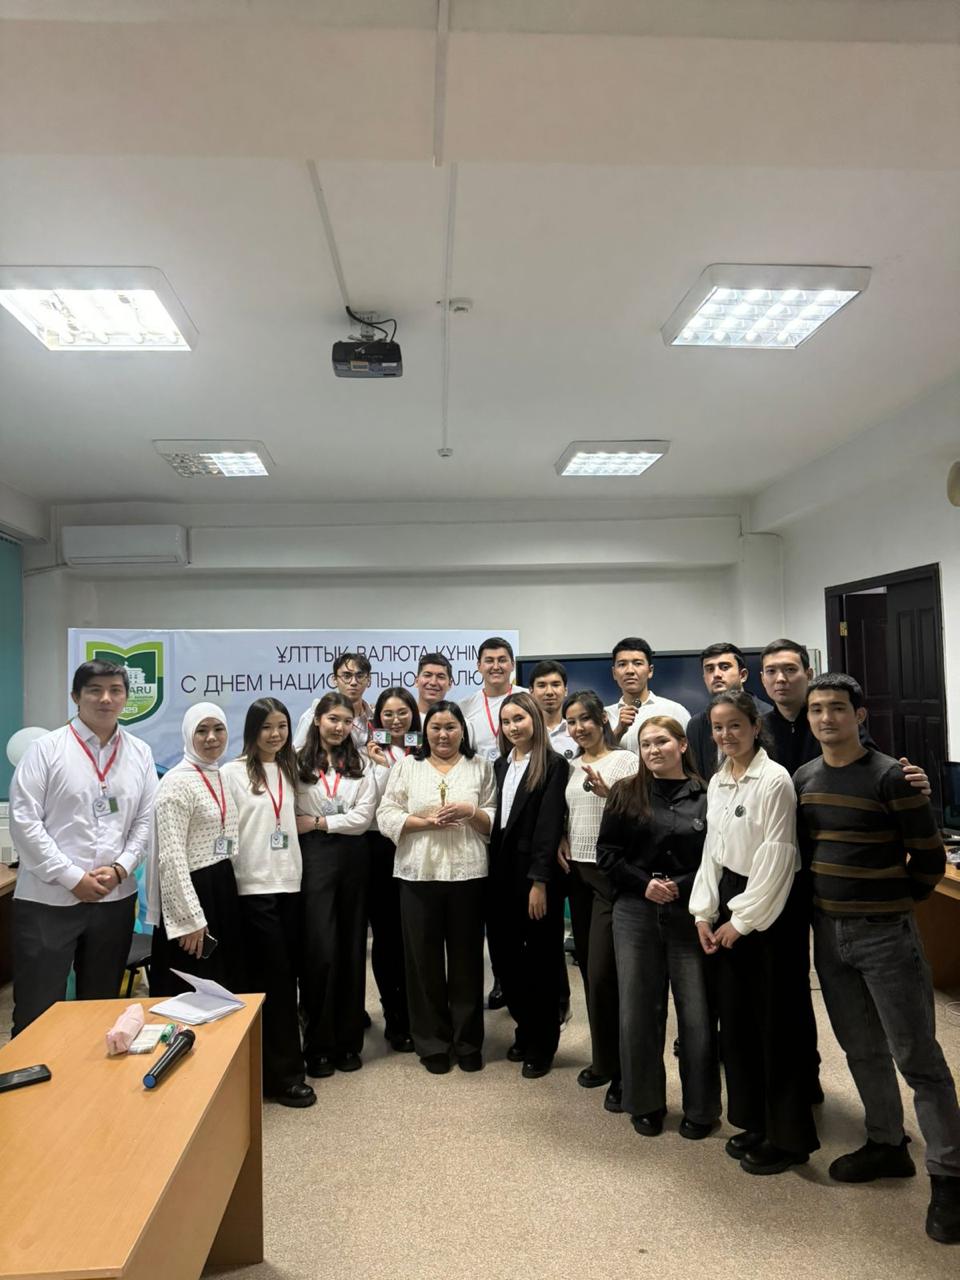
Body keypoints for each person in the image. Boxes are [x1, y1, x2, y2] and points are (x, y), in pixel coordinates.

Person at [795, 673, 960, 1244]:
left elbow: (929, 858)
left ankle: (949, 1175)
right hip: (828, 935)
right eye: (817, 709)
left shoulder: (892, 776)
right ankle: (887, 1143)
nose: (826, 718)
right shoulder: (805, 778)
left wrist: (891, 904)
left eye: (838, 708)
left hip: (885, 935)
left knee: (918, 1056)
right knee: (860, 1048)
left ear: (859, 716)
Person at [689, 691, 819, 1174]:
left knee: (775, 1024)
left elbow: (779, 857)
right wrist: (703, 912)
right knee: (739, 1023)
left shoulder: (775, 779)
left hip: (768, 910)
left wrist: (740, 922)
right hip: (729, 901)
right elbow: (712, 851)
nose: (725, 735)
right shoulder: (719, 779)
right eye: (718, 728)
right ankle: (754, 1121)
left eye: (735, 726)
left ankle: (789, 1139)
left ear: (755, 727)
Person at [9, 660, 158, 1036]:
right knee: (37, 1008)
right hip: (48, 900)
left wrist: (122, 868)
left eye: (115, 690)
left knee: (101, 1009)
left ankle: (89, 1075)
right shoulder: (46, 750)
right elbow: (25, 822)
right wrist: (72, 876)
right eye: (95, 690)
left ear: (125, 697)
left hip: (114, 899)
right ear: (76, 696)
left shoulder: (140, 753)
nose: (106, 698)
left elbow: (146, 820)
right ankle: (33, 1075)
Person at [597, 717, 720, 1139]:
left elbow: (716, 856)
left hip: (690, 912)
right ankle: (645, 1102)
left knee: (696, 1014)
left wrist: (680, 885)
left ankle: (701, 1108)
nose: (653, 750)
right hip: (636, 910)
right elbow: (607, 854)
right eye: (646, 743)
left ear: (682, 745)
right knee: (638, 1011)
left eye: (662, 741)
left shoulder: (708, 793)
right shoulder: (624, 793)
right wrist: (644, 884)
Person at [376, 700, 496, 1074]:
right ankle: (432, 1042)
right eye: (436, 727)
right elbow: (386, 814)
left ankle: (468, 1041)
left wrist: (471, 812)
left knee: (467, 963)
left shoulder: (480, 766)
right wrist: (425, 823)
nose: (443, 735)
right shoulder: (406, 766)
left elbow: (494, 816)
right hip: (418, 876)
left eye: (450, 727)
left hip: (467, 875)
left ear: (463, 730)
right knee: (422, 963)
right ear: (425, 731)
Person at [221, 698, 315, 1109]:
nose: (275, 734)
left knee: (288, 979)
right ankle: (283, 1076)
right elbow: (227, 832)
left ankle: (279, 1067)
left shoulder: (291, 769)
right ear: (252, 731)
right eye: (266, 727)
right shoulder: (233, 772)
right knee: (269, 982)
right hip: (252, 888)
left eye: (282, 726)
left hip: (290, 885)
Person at [559, 690, 638, 1113]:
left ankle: (626, 1071)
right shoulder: (571, 766)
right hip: (578, 875)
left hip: (610, 876)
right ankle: (604, 1059)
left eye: (585, 719)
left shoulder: (625, 761)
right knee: (591, 973)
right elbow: (569, 813)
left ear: (602, 720)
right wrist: (562, 837)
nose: (578, 728)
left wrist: (611, 795)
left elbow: (642, 816)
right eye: (571, 722)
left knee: (607, 974)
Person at [295, 692, 377, 1076]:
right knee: (319, 950)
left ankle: (347, 1043)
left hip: (352, 859)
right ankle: (317, 1045)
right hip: (313, 860)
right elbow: (291, 812)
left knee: (351, 949)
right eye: (333, 719)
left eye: (346, 721)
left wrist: (318, 821)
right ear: (317, 720)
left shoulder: (361, 762)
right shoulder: (296, 762)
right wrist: (319, 825)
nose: (340, 727)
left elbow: (362, 818)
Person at [487, 692, 568, 1077]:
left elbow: (548, 826)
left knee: (541, 962)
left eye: (518, 718)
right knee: (505, 959)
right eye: (506, 721)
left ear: (534, 719)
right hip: (500, 875)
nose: (512, 727)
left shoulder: (553, 764)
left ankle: (542, 1043)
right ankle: (525, 1026)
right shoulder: (501, 765)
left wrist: (540, 882)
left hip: (534, 877)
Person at [149, 702, 245, 996]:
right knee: (193, 987)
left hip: (222, 886)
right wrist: (189, 920)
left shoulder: (219, 774)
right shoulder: (176, 783)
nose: (211, 737)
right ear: (188, 734)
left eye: (218, 729)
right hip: (193, 891)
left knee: (225, 982)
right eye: (201, 731)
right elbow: (171, 857)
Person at [365, 686, 421, 1052]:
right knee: (387, 937)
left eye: (403, 713)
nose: (396, 720)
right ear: (378, 719)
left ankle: (419, 1011)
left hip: (417, 844)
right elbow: (375, 803)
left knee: (416, 935)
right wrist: (383, 766)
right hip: (380, 849)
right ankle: (395, 1015)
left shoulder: (426, 749)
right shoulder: (368, 753)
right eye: (388, 714)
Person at [685, 643, 771, 782]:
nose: (716, 674)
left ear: (743, 675)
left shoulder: (767, 716)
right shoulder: (696, 725)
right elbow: (697, 778)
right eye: (710, 669)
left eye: (724, 667)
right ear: (704, 678)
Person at [604, 637, 690, 753]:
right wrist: (619, 730)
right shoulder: (603, 716)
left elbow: (690, 755)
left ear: (650, 671)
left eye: (638, 663)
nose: (630, 671)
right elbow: (595, 757)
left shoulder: (674, 711)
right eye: (622, 664)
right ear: (614, 673)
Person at [459, 636, 526, 762]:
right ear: (479, 666)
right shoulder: (464, 707)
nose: (496, 667)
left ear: (512, 665)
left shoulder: (528, 698)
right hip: (480, 772)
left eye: (502, 660)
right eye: (489, 661)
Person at [293, 651, 375, 750]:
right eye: (347, 676)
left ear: (368, 680)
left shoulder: (375, 715)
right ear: (334, 680)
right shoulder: (315, 714)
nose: (353, 682)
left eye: (360, 676)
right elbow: (297, 753)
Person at [528, 660, 577, 759]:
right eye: (542, 685)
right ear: (531, 691)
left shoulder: (578, 731)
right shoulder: (524, 732)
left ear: (565, 690)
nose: (549, 692)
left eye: (555, 685)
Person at [415, 652, 454, 717]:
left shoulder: (458, 721)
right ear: (416, 681)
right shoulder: (404, 720)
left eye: (440, 677)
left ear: (449, 684)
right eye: (427, 675)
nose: (433, 682)